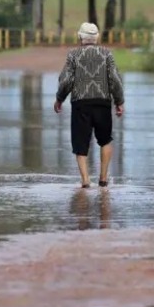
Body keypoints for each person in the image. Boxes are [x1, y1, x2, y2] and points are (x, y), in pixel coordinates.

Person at [54, 22, 124, 188]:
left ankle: (85, 181)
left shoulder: (73, 55)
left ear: (80, 37)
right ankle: (103, 179)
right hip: (103, 102)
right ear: (97, 37)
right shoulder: (107, 54)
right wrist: (119, 101)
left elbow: (66, 81)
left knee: (80, 143)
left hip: (80, 103)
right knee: (105, 140)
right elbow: (114, 79)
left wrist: (59, 98)